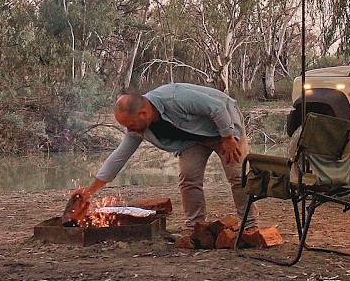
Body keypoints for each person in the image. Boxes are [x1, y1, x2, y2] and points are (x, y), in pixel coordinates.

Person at [72, 82, 260, 234]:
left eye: (130, 125)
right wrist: (90, 191)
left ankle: (249, 226)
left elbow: (217, 107)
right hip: (192, 139)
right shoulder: (138, 128)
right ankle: (195, 226)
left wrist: (227, 137)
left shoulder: (174, 97)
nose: (129, 130)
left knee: (238, 175)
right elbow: (118, 158)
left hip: (223, 125)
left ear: (143, 114)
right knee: (189, 177)